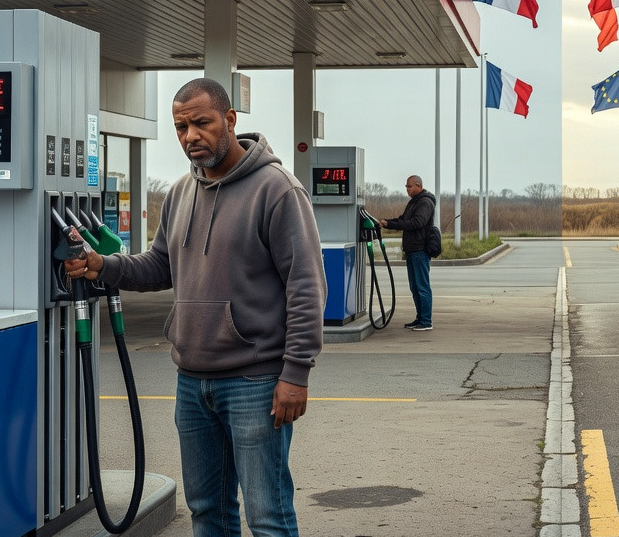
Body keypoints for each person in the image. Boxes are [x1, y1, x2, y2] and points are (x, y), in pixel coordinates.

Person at [65, 77, 325, 537]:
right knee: (207, 511)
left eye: (201, 123)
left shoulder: (277, 190)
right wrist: (102, 265)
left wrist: (295, 373)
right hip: (192, 383)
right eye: (181, 127)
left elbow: (305, 286)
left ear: (229, 120)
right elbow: (159, 266)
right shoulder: (181, 193)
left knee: (268, 516)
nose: (190, 137)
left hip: (256, 382)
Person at [380, 175, 437, 331]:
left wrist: (396, 224)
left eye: (409, 187)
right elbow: (403, 219)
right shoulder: (414, 202)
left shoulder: (425, 202)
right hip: (412, 249)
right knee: (415, 287)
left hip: (420, 249)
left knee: (422, 286)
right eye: (406, 187)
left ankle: (426, 321)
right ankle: (420, 318)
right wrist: (388, 223)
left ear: (418, 186)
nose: (407, 190)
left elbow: (418, 222)